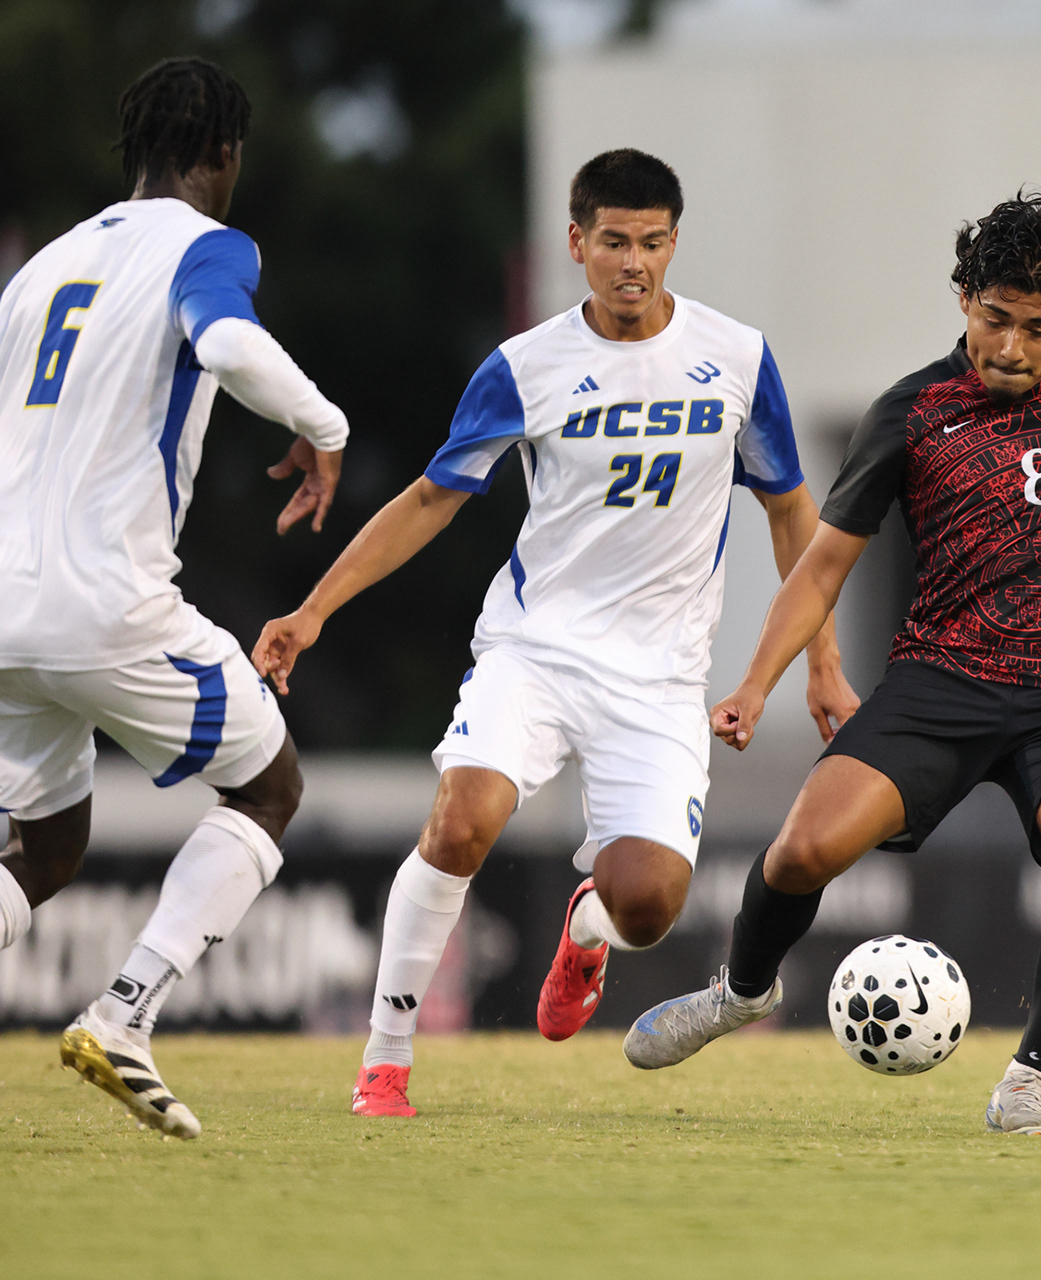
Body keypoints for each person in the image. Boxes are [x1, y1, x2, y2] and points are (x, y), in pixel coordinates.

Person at [623, 192, 1041, 1136]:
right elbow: (822, 566)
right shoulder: (910, 412)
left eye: (1040, 328)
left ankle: (1027, 1080)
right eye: (997, 319)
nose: (1015, 347)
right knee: (803, 850)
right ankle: (740, 992)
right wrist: (756, 684)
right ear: (963, 300)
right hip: (940, 681)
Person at [252, 148, 858, 1118]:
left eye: (652, 242)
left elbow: (795, 514)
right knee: (460, 820)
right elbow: (428, 499)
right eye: (613, 241)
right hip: (535, 649)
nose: (633, 263)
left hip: (662, 676)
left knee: (649, 906)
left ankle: (587, 926)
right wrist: (314, 609)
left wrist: (820, 661)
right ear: (576, 242)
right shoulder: (525, 365)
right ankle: (386, 1060)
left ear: (673, 243)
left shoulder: (738, 357)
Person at [0, 58, 348, 1139]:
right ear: (223, 156)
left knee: (46, 846)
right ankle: (126, 1011)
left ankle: (122, 1010)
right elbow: (229, 341)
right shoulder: (209, 245)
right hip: (106, 599)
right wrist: (325, 427)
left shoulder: (41, 268)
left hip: (4, 603)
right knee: (268, 785)